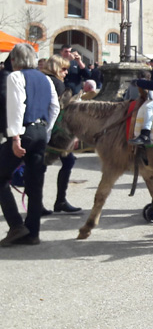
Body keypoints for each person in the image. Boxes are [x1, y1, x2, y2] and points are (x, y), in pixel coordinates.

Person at [0, 43, 59, 246]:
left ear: (15, 60)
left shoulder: (15, 77)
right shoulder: (46, 79)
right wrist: (46, 129)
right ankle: (32, 233)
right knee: (35, 185)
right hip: (40, 132)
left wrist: (15, 137)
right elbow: (55, 107)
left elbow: (16, 108)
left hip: (23, 132)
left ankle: (16, 225)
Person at [42, 54, 83, 214]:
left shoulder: (43, 79)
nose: (66, 72)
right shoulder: (57, 83)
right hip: (57, 132)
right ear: (56, 68)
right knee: (63, 162)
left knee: (46, 165)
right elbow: (63, 111)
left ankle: (53, 201)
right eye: (64, 69)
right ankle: (59, 201)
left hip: (44, 128)